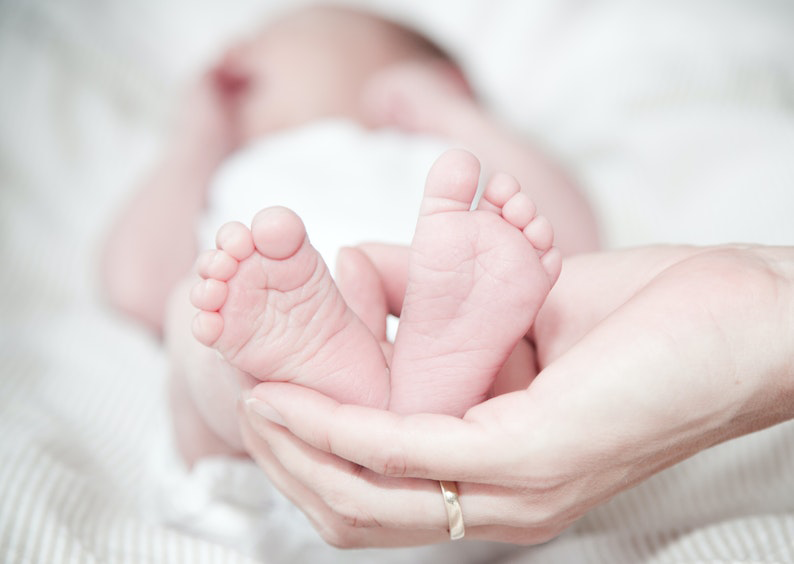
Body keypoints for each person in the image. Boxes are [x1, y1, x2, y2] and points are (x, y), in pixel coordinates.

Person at [102, 4, 599, 464]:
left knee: (524, 322)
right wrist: (199, 137)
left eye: (275, 37)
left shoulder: (444, 152)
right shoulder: (230, 167)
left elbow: (573, 248)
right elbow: (137, 286)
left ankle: (417, 385)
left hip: (484, 469)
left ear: (436, 78)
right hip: (270, 466)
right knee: (201, 315)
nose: (234, 54)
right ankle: (354, 385)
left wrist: (455, 114)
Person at [236, 238, 794, 548]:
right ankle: (399, 383)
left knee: (225, 365)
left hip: (380, 289)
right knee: (223, 345)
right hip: (348, 292)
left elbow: (562, 241)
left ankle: (363, 386)